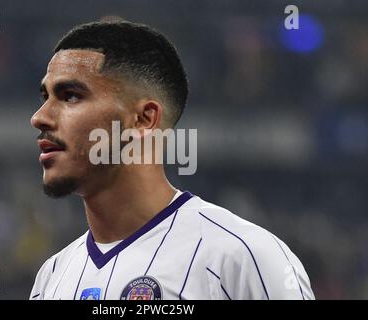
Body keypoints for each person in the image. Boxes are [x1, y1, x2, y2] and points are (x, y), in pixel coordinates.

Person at [29, 21, 314, 300]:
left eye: (70, 96)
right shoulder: (52, 276)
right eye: (45, 96)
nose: (40, 116)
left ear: (144, 119)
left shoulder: (243, 257)